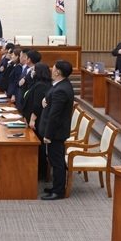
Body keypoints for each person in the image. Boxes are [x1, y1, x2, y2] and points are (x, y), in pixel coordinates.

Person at [39, 60, 75, 200]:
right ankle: (56, 187)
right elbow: (51, 97)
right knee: (55, 159)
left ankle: (59, 191)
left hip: (56, 132)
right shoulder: (61, 85)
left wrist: (48, 135)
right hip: (56, 131)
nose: (51, 70)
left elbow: (55, 116)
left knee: (57, 161)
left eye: (53, 69)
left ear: (58, 72)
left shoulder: (61, 89)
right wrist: (46, 99)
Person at [23, 62, 52, 182]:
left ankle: (41, 171)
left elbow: (37, 105)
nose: (32, 72)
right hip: (35, 119)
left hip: (37, 121)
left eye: (34, 70)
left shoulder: (41, 85)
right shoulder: (39, 83)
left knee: (39, 146)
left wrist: (32, 120)